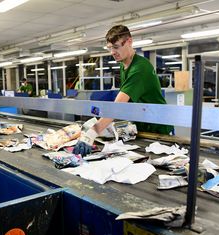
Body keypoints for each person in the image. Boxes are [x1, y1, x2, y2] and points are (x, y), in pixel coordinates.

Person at [73, 25, 174, 156]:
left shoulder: (140, 68)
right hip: (143, 125)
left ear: (129, 42)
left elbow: (117, 107)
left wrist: (91, 134)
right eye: (109, 48)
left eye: (116, 47)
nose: (112, 52)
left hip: (159, 129)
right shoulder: (124, 64)